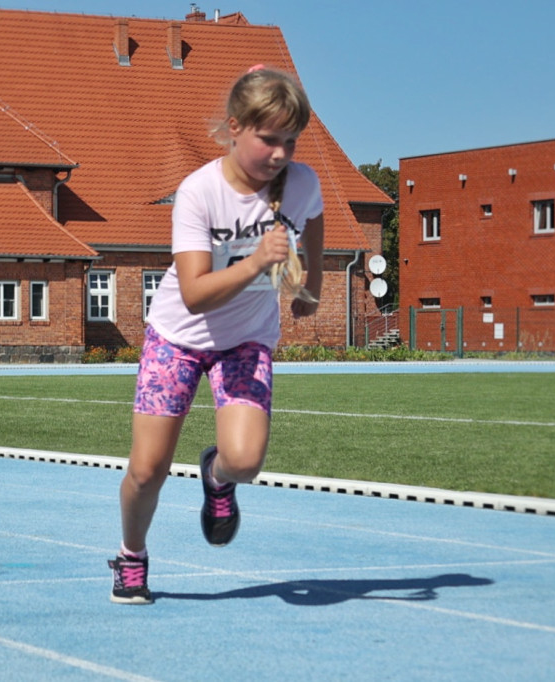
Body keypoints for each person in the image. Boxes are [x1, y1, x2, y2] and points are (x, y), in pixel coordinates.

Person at [109, 65, 325, 605]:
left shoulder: (301, 183)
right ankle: (132, 556)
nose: (280, 154)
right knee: (146, 470)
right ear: (235, 128)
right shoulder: (198, 192)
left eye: (290, 140)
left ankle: (217, 476)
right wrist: (256, 263)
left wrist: (310, 288)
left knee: (246, 460)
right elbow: (195, 292)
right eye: (269, 139)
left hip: (246, 339)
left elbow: (315, 224)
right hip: (177, 337)